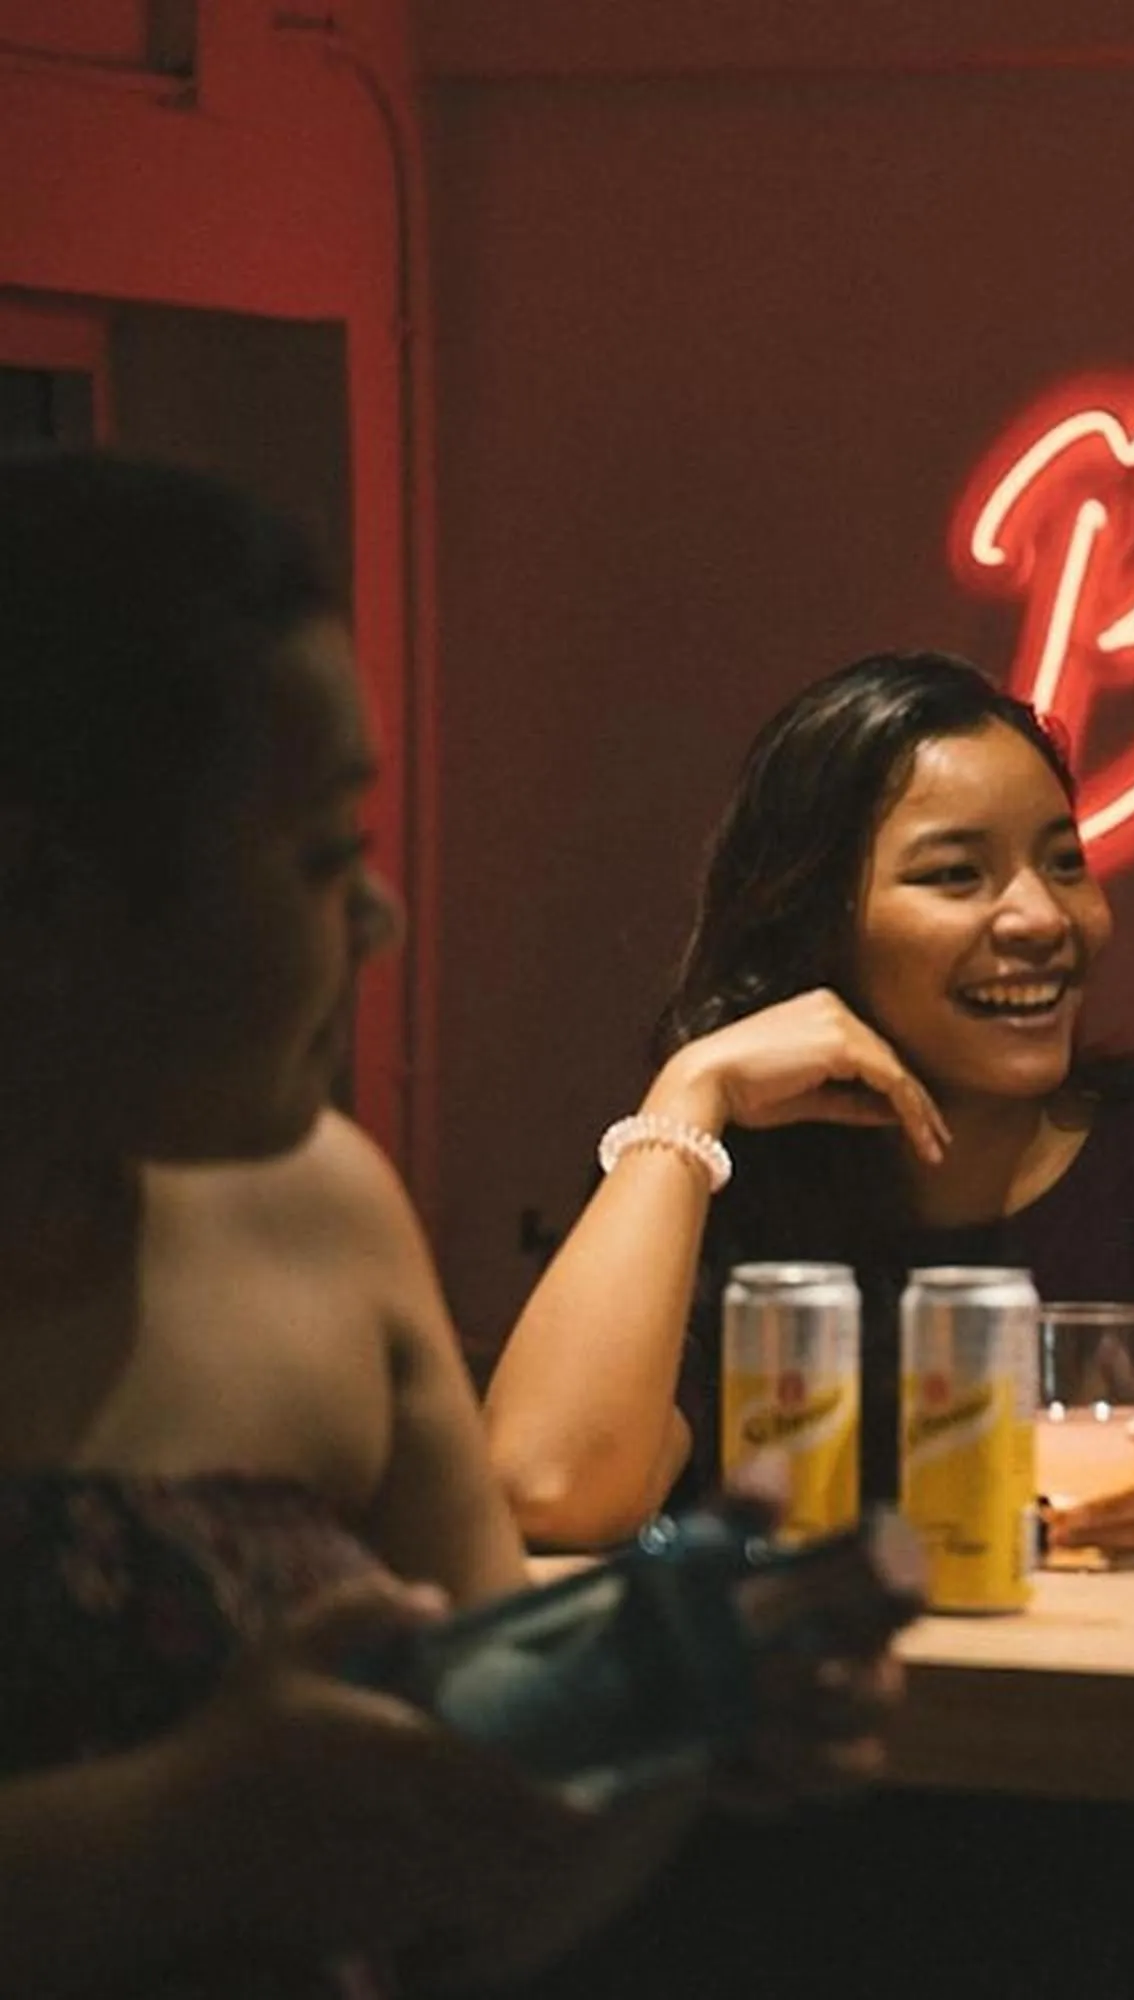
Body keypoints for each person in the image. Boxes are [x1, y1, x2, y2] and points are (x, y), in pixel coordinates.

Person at [0, 450, 897, 1998]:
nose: (379, 917)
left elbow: (470, 1877)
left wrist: (676, 1715)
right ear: (48, 887)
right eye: (321, 856)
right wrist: (171, 1832)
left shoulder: (322, 1210)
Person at [484, 652, 1134, 1559]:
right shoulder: (721, 1183)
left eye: (1064, 862)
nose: (1041, 918)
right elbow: (546, 1491)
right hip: (812, 1699)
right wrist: (691, 1093)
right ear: (813, 923)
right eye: (957, 876)